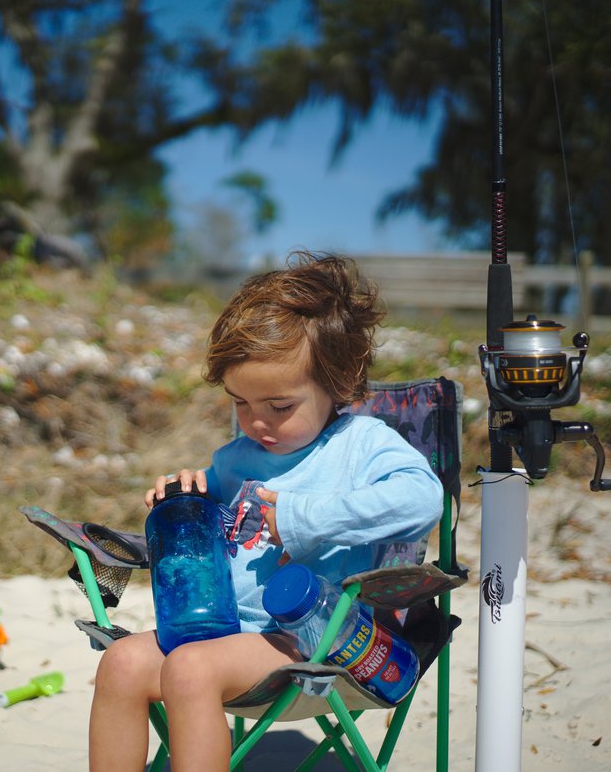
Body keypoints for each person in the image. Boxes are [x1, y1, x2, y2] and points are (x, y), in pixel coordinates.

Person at [88, 252, 443, 772]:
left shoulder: (361, 444)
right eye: (240, 404)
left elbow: (422, 498)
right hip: (222, 632)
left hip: (313, 642)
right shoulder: (238, 460)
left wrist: (305, 520)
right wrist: (186, 494)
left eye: (279, 407)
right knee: (121, 662)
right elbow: (214, 501)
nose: (257, 423)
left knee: (188, 671)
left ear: (338, 383)